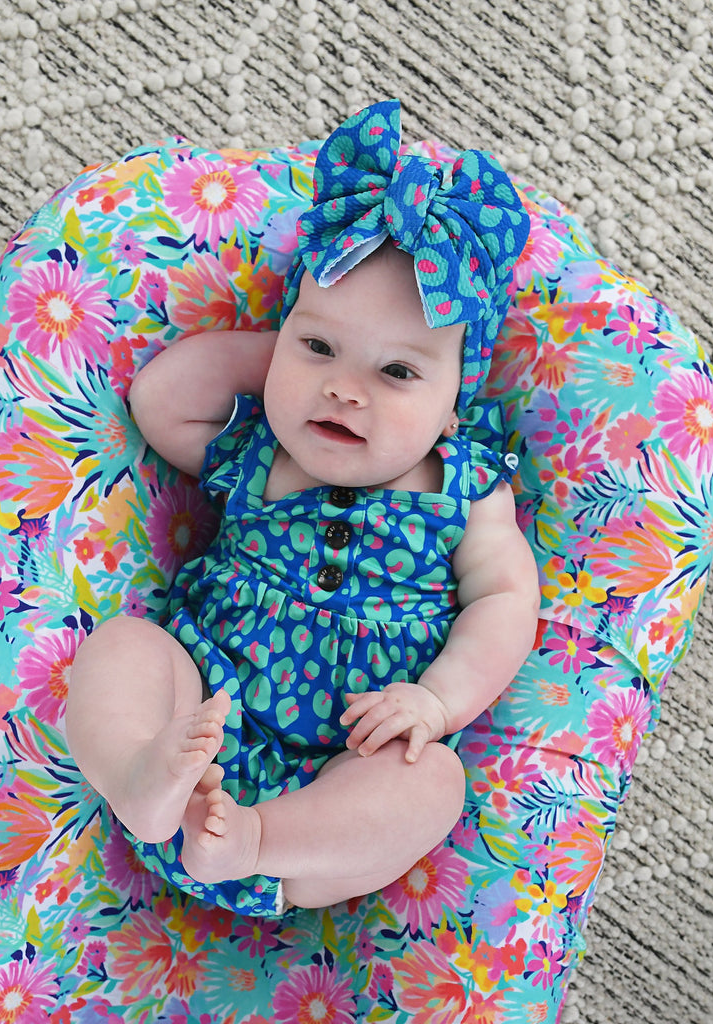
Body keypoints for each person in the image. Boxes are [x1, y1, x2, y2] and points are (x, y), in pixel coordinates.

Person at [65, 99, 541, 917]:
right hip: (199, 713)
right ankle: (137, 775)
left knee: (432, 783)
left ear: (453, 405)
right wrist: (287, 359)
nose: (344, 390)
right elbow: (160, 400)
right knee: (123, 649)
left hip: (340, 775)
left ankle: (254, 839)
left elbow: (505, 600)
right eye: (319, 347)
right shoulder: (260, 450)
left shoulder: (464, 486)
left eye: (397, 373)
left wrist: (437, 702)